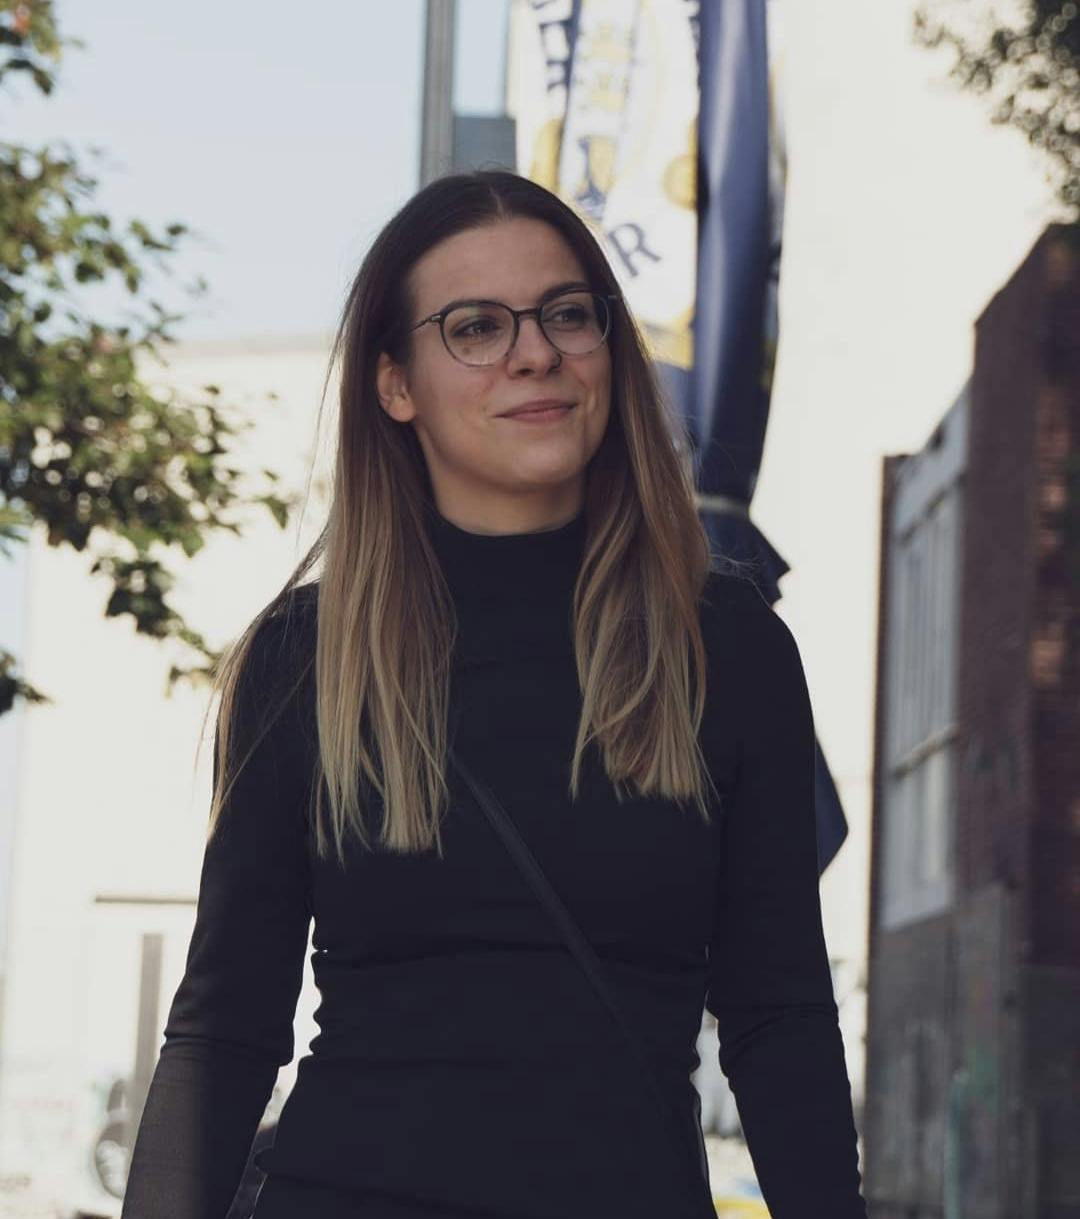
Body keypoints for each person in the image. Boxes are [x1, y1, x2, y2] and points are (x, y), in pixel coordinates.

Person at [119, 169, 868, 1219]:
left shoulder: (726, 646)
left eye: (568, 313)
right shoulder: (307, 658)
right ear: (395, 385)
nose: (535, 352)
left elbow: (778, 1014)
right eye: (475, 326)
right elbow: (226, 1028)